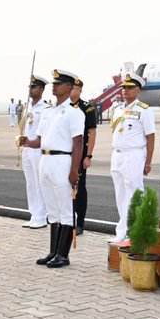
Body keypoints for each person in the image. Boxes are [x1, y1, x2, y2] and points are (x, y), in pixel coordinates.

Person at [20, 70, 84, 267]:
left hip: (62, 161)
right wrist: (27, 142)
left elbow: (78, 143)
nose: (54, 86)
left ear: (69, 88)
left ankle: (63, 255)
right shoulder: (48, 112)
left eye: (59, 83)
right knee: (52, 209)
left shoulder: (74, 113)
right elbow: (39, 140)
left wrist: (75, 170)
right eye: (54, 83)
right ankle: (53, 251)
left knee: (65, 208)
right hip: (45, 160)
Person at [110, 73, 156, 243]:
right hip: (117, 154)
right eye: (123, 88)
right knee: (120, 194)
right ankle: (122, 232)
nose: (125, 91)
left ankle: (135, 229)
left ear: (138, 90)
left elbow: (150, 137)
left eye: (129, 88)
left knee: (135, 193)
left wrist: (148, 161)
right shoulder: (117, 109)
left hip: (134, 155)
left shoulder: (144, 110)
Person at [20, 75, 50, 229]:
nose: (31, 90)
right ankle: (34, 214)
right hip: (26, 148)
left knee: (39, 183)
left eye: (34, 87)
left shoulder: (46, 108)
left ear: (41, 89)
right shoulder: (27, 107)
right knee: (30, 183)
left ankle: (41, 216)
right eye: (30, 87)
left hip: (38, 148)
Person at [69, 79, 98, 235]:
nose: (70, 90)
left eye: (73, 88)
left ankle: (79, 223)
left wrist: (88, 156)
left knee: (79, 189)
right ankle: (67, 220)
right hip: (65, 153)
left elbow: (92, 132)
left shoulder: (87, 108)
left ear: (79, 90)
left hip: (80, 154)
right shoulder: (64, 107)